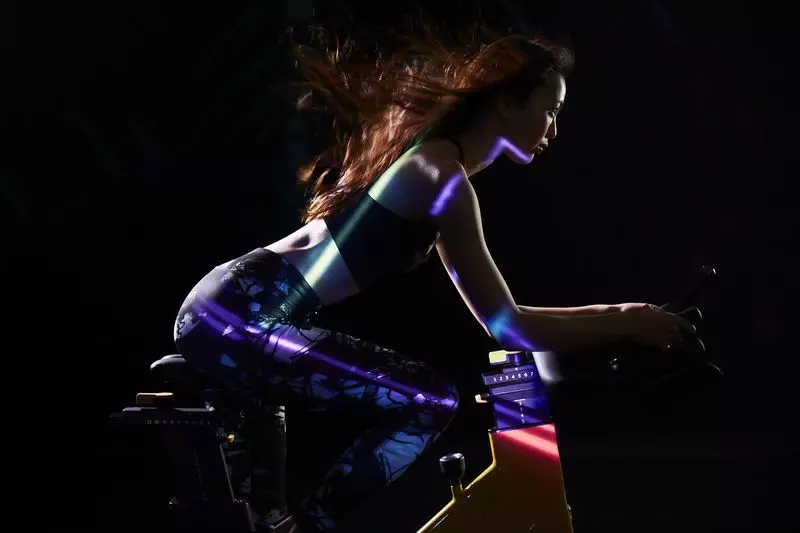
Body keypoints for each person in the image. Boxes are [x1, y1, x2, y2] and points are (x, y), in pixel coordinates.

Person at [172, 28, 695, 533]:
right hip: (236, 314)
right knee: (429, 400)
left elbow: (508, 322)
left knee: (416, 401)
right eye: (550, 110)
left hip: (231, 308)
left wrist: (626, 320)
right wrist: (628, 319)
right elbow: (509, 327)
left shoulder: (438, 170)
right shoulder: (441, 177)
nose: (553, 129)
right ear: (507, 102)